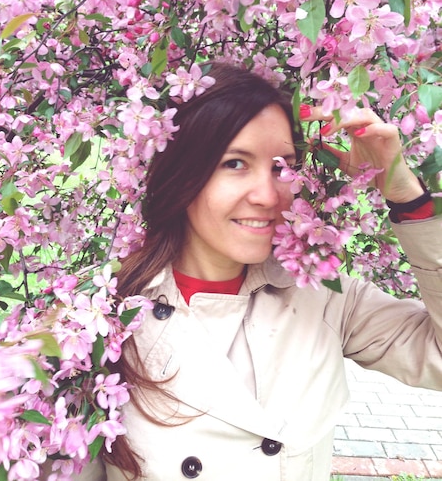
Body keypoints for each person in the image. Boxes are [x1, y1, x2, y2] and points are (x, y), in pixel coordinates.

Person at [76, 61, 441, 481]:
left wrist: (405, 195)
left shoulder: (326, 299)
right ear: (182, 174)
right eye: (235, 163)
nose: (268, 195)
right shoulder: (104, 322)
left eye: (282, 166)